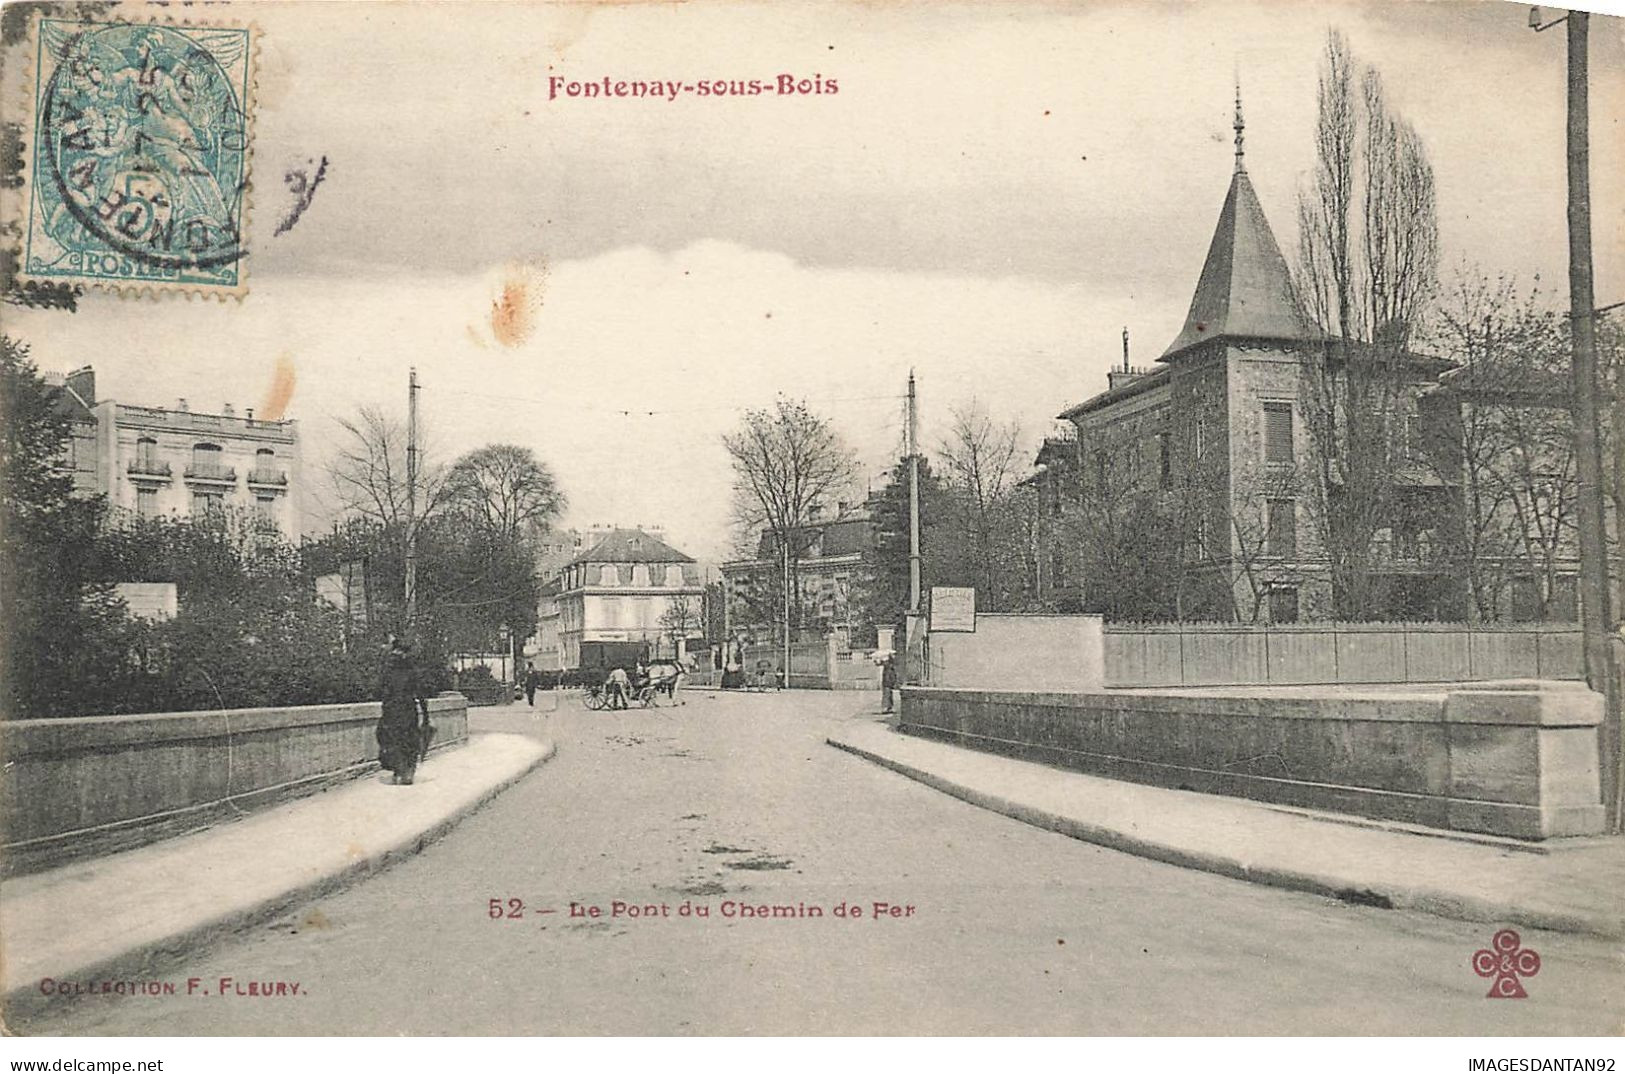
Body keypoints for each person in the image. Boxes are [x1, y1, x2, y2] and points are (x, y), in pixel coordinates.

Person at [378, 635, 431, 785]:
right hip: (405, 710)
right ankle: (405, 772)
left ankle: (401, 771)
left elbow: (382, 692)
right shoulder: (410, 672)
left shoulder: (388, 672)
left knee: (396, 740)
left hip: (395, 710)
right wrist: (425, 715)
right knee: (406, 740)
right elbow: (420, 694)